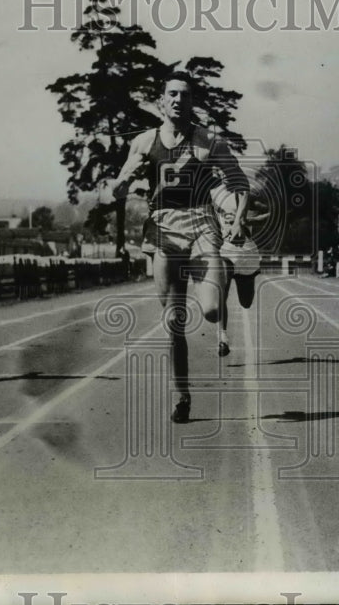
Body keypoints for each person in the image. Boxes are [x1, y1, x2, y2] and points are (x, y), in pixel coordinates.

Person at [109, 74, 249, 423]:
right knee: (174, 323)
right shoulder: (143, 142)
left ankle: (227, 278)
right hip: (163, 230)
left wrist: (237, 220)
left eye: (184, 95)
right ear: (162, 100)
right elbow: (117, 192)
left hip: (202, 225)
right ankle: (183, 395)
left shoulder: (208, 142)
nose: (177, 100)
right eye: (171, 94)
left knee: (213, 310)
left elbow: (241, 184)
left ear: (192, 102)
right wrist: (127, 179)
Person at [211, 181, 269, 356]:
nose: (222, 172)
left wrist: (247, 220)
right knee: (222, 291)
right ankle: (222, 338)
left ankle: (248, 280)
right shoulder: (212, 193)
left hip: (245, 252)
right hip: (225, 249)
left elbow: (272, 214)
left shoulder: (245, 195)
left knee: (246, 302)